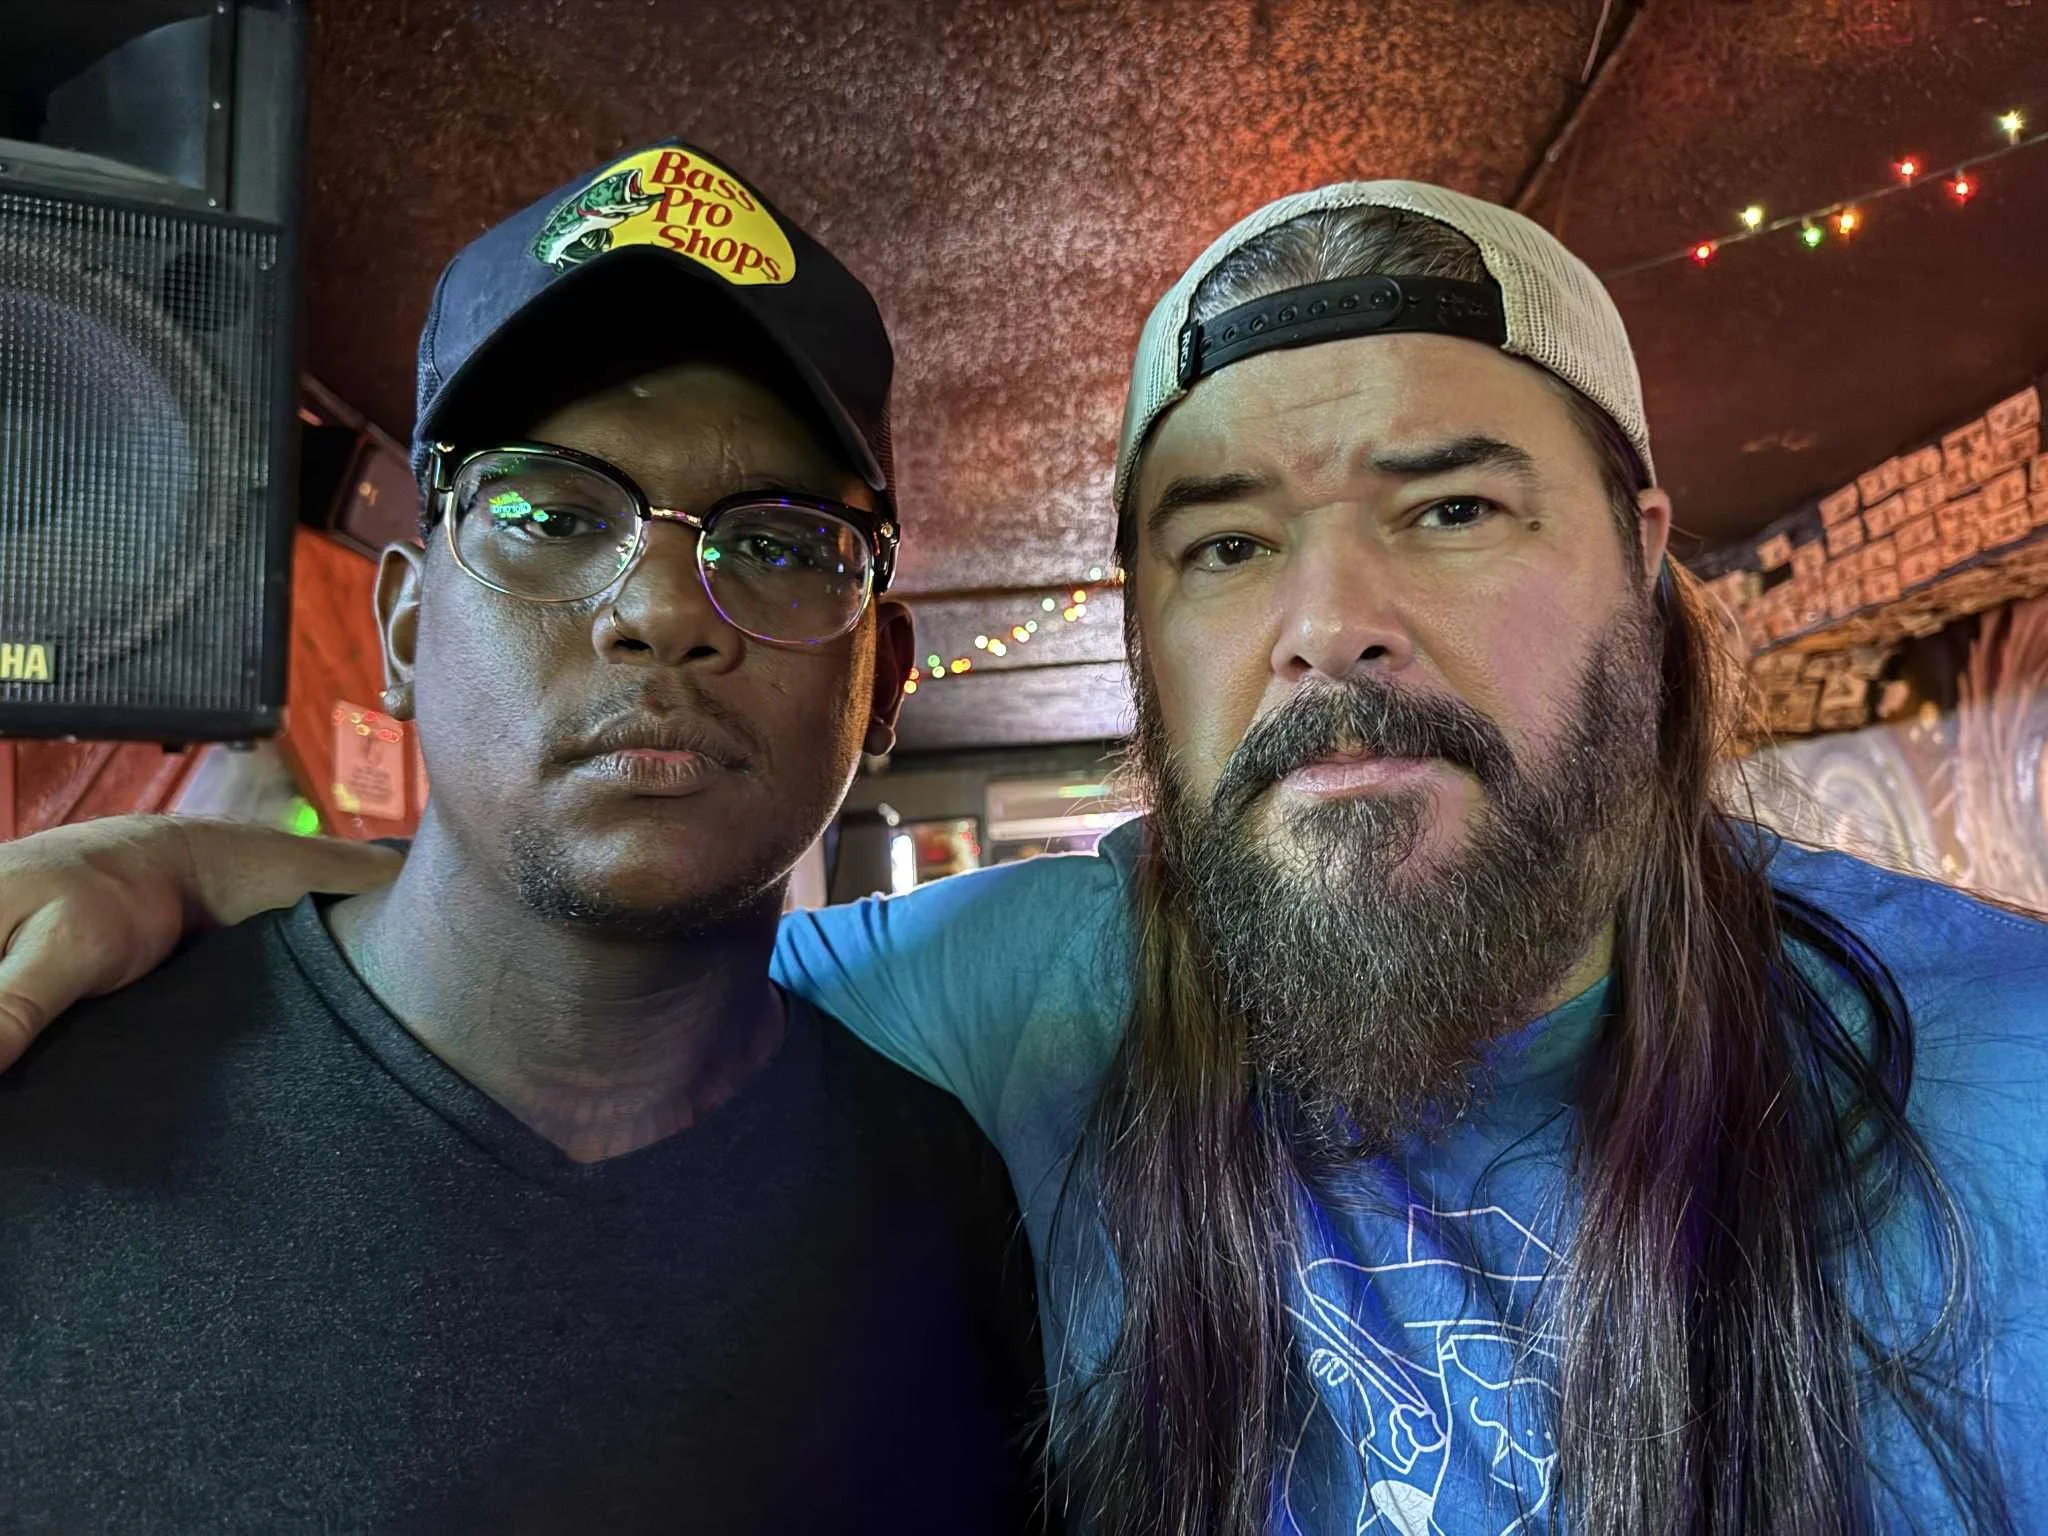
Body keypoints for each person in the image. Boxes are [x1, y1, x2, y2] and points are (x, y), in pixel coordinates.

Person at [6, 181, 2048, 1535]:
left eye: (1450, 509)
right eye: (1225, 543)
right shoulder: (1022, 997)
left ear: (1643, 569)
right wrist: (202, 885)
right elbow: (599, 968)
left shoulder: (2002, 1085)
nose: (1330, 623)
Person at [0, 139, 1052, 1532]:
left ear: (884, 684)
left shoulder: (955, 1208)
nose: (660, 610)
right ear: (405, 630)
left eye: (782, 544)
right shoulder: (44, 1100)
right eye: (550, 513)